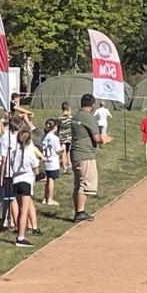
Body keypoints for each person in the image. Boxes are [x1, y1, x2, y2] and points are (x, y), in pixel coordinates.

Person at [70, 94, 109, 222]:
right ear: (93, 105)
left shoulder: (75, 116)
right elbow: (97, 138)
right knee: (85, 184)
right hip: (85, 154)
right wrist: (106, 140)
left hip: (75, 152)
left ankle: (78, 211)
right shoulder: (89, 118)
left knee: (77, 183)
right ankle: (80, 212)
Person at [10, 129, 39, 247]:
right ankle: (20, 237)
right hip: (26, 180)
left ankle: (20, 232)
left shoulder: (14, 153)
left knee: (19, 208)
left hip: (16, 180)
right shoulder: (30, 153)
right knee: (24, 209)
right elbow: (36, 170)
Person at [40, 120, 61, 205]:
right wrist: (63, 150)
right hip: (53, 161)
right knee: (52, 180)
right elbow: (58, 150)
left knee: (48, 180)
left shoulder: (44, 137)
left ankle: (45, 198)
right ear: (55, 128)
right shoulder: (55, 138)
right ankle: (50, 199)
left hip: (46, 160)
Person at [58, 102, 73, 174]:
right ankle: (69, 163)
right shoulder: (71, 118)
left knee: (63, 151)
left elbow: (58, 127)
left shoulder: (60, 118)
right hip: (69, 137)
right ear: (68, 109)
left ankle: (64, 167)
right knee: (68, 151)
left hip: (62, 137)